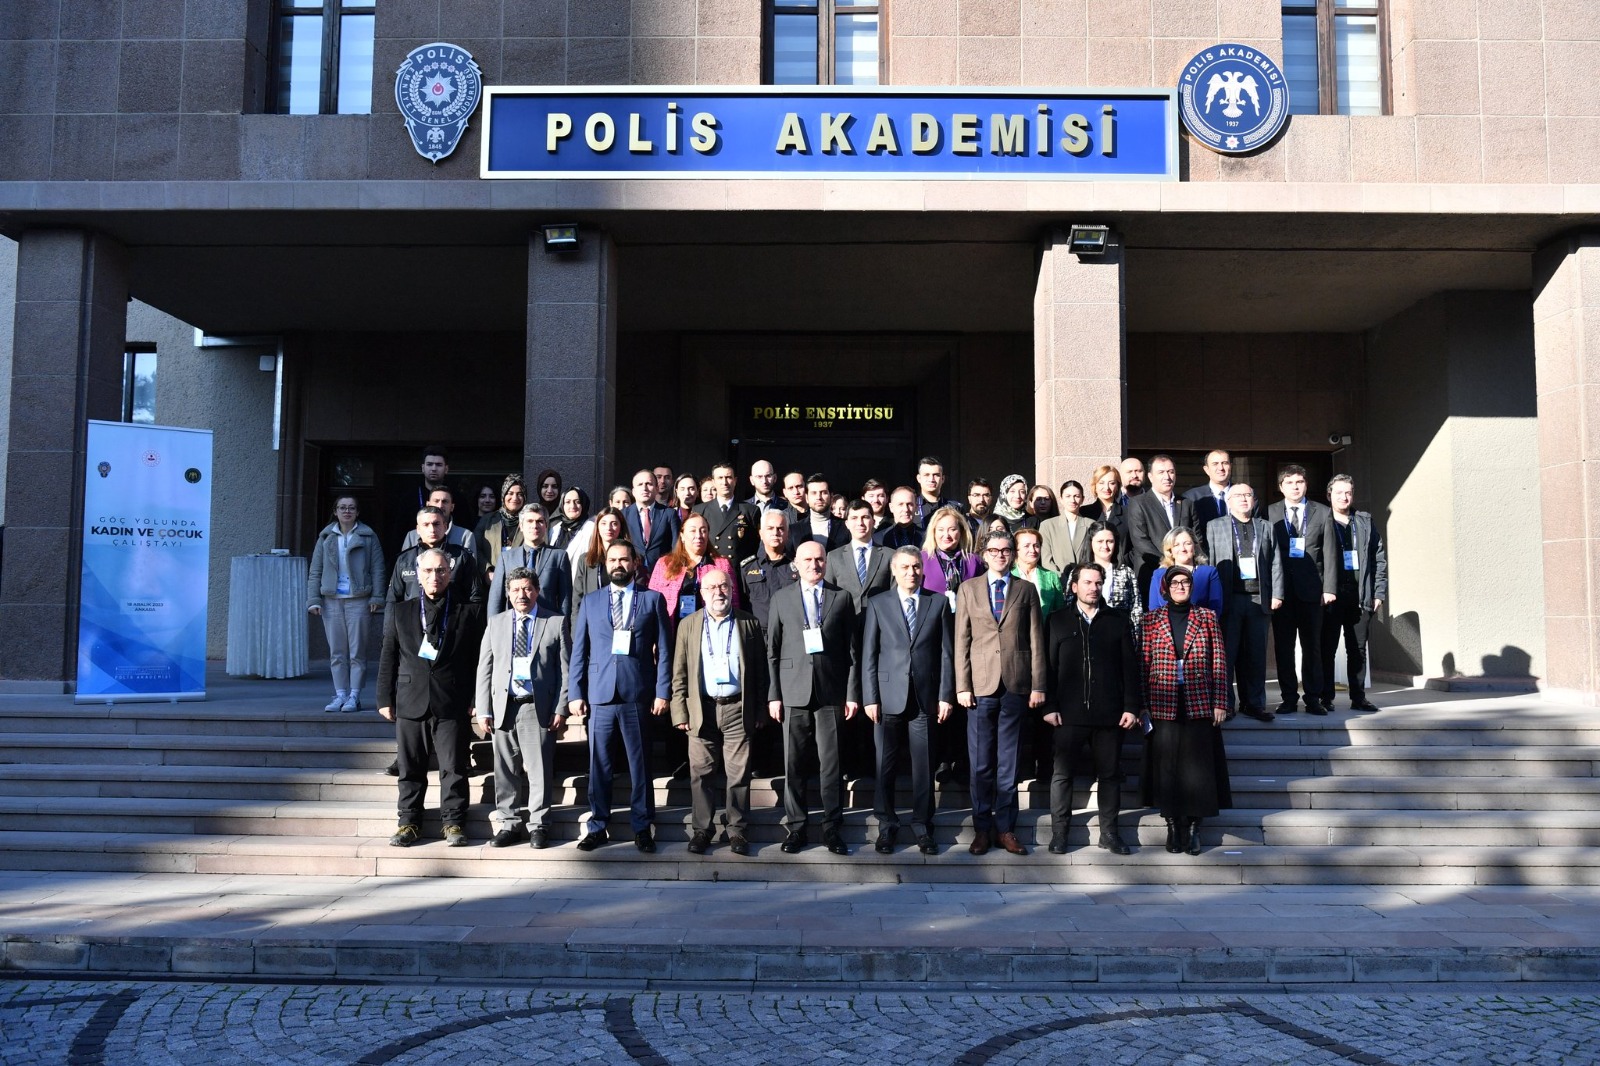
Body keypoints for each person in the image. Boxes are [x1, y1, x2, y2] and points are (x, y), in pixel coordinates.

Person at [376, 547, 486, 848]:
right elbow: (389, 655)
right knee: (411, 768)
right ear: (418, 575)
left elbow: (477, 659)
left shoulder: (468, 611)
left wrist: (477, 697)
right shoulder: (401, 611)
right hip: (411, 698)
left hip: (452, 698)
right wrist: (384, 697)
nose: (434, 576)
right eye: (428, 571)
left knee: (453, 766)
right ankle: (408, 822)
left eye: (440, 570)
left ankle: (453, 822)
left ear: (449, 573)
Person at [568, 540, 672, 853]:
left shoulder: (653, 600)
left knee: (640, 765)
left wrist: (662, 691)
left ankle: (642, 826)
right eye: (612, 559)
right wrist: (576, 692)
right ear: (605, 564)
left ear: (635, 563)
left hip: (637, 693)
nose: (618, 565)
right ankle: (598, 826)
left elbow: (665, 651)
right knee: (599, 765)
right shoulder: (591, 601)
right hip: (599, 694)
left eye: (624, 559)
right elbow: (579, 651)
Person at [955, 530, 1047, 857]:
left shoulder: (1026, 590)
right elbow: (961, 641)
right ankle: (981, 829)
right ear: (983, 554)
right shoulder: (968, 589)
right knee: (980, 764)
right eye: (994, 550)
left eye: (1006, 550)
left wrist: (1038, 685)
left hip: (1015, 685)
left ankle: (1006, 829)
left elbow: (1036, 640)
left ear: (1012, 554)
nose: (1000, 555)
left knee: (1008, 764)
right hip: (979, 687)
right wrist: (962, 686)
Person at [766, 540, 860, 855]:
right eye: (807, 559)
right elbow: (773, 652)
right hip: (792, 691)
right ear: (796, 563)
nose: (814, 565)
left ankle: (832, 828)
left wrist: (851, 692)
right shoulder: (781, 598)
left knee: (831, 765)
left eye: (819, 559)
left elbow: (852, 651)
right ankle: (796, 828)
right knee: (794, 765)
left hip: (831, 691)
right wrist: (774, 695)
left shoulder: (841, 598)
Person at [1041, 562, 1141, 855]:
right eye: (1087, 583)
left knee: (1110, 775)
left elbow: (1130, 669)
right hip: (1067, 714)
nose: (1093, 588)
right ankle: (1060, 833)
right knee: (1062, 775)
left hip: (1109, 714)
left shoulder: (1118, 621)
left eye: (1098, 583)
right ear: (1074, 587)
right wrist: (1048, 705)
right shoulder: (1058, 621)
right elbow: (1047, 667)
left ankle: (1109, 833)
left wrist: (1132, 706)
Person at [861, 547, 954, 855]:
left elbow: (946, 654)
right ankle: (886, 827)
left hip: (925, 698)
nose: (911, 572)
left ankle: (922, 826)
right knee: (884, 766)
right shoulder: (877, 604)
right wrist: (870, 697)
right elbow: (869, 655)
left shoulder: (937, 603)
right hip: (886, 699)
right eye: (904, 567)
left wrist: (945, 694)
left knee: (924, 768)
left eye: (915, 567)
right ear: (894, 571)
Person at [670, 567, 768, 856]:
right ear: (702, 593)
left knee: (738, 774)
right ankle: (702, 830)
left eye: (724, 586)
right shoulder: (688, 625)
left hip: (738, 707)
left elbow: (760, 671)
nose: (718, 592)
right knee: (701, 774)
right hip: (701, 708)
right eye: (711, 588)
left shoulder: (748, 623)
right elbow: (679, 673)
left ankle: (737, 830)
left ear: (732, 590)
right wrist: (679, 712)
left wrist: (760, 707)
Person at [1138, 566, 1232, 856]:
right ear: (1165, 588)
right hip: (1162, 700)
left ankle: (1193, 827)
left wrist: (1221, 701)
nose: (1181, 586)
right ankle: (1172, 824)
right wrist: (1142, 705)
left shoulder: (1206, 618)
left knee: (1197, 767)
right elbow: (1143, 665)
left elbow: (1218, 661)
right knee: (1167, 766)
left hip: (1199, 699)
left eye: (1186, 582)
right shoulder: (1150, 620)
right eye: (1175, 582)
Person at [475, 566, 568, 850]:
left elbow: (564, 669)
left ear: (537, 591)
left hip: (535, 707)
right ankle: (509, 823)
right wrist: (483, 708)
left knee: (539, 769)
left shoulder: (554, 622)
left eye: (527, 589)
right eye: (515, 590)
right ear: (508, 594)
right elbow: (485, 667)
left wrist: (561, 707)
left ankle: (539, 825)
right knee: (504, 770)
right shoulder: (497, 622)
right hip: (503, 705)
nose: (521, 595)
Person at [1267, 464, 1339, 716]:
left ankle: (1313, 698)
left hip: (1313, 593)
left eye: (1299, 482)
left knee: (1313, 648)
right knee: (1284, 649)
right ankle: (1288, 698)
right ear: (1281, 487)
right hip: (1282, 594)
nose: (1295, 487)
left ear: (1306, 485)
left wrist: (1329, 588)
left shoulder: (1322, 512)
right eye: (1289, 482)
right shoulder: (1270, 512)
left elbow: (1330, 553)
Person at [1206, 484, 1282, 723]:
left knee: (1256, 656)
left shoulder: (1266, 527)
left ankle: (1254, 704)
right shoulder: (1214, 526)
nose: (1243, 499)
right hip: (1228, 600)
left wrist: (1277, 594)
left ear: (1254, 499)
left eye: (1248, 494)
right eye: (1237, 495)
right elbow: (1208, 563)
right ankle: (1226, 705)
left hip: (1259, 598)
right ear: (1228, 501)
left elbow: (1276, 563)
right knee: (1226, 655)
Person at [306, 496, 386, 712]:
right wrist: (313, 599)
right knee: (337, 652)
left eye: (351, 508)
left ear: (358, 512)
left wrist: (377, 597)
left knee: (357, 652)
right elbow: (315, 571)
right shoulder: (325, 538)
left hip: (358, 599)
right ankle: (340, 694)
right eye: (342, 507)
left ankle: (355, 695)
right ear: (335, 511)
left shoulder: (368, 536)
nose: (347, 511)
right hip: (331, 600)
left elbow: (378, 568)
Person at [1320, 475, 1387, 713]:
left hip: (1360, 596)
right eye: (1339, 493)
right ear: (1330, 495)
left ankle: (1358, 697)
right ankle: (1325, 697)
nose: (1344, 497)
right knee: (1326, 648)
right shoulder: (1322, 520)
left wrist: (1378, 592)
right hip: (1330, 597)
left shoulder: (1364, 522)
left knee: (1357, 650)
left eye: (1348, 492)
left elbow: (1378, 558)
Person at [648, 511, 740, 633]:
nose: (699, 535)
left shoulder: (722, 564)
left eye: (703, 530)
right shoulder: (664, 563)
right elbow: (651, 602)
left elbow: (734, 602)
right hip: (672, 630)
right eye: (692, 531)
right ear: (682, 535)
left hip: (709, 632)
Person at [1127, 455, 1194, 597]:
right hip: (1153, 574)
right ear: (1150, 477)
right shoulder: (1138, 503)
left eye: (1171, 472)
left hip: (1186, 578)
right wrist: (1170, 565)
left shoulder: (1187, 503)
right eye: (1161, 472)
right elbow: (1140, 541)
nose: (1167, 477)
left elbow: (1196, 537)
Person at [488, 504, 571, 618]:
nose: (535, 526)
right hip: (513, 625)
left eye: (540, 521)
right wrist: (494, 628)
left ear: (546, 525)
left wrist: (563, 627)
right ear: (521, 526)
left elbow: (565, 599)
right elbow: (496, 598)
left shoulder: (559, 556)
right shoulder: (506, 558)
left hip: (547, 625)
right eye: (530, 521)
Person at [388, 506, 484, 604]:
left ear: (445, 526)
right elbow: (392, 600)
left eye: (436, 524)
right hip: (412, 617)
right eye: (426, 525)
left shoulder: (462, 557)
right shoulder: (404, 559)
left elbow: (475, 597)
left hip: (452, 617)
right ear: (418, 529)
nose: (432, 529)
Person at [827, 499, 893, 613]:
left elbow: (894, 595)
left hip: (880, 623)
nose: (860, 523)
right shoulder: (834, 557)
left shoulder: (890, 555)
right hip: (846, 624)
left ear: (873, 522)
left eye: (865, 517)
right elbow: (829, 596)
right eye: (854, 518)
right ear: (847, 524)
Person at [739, 508, 797, 633]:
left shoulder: (798, 566)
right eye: (770, 528)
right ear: (761, 533)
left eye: (780, 528)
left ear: (787, 533)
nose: (775, 533)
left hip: (790, 633)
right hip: (757, 635)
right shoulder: (748, 567)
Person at [695, 461, 761, 563]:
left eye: (728, 477)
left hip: (739, 572)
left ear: (735, 480)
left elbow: (755, 545)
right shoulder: (700, 510)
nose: (724, 482)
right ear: (713, 482)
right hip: (710, 568)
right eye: (720, 478)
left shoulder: (750, 510)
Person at [1148, 527, 1223, 614]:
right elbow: (1154, 610)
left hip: (1201, 626)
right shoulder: (1159, 575)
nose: (1183, 549)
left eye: (1187, 544)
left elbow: (1215, 608)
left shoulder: (1209, 573)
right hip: (1165, 626)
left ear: (1195, 547)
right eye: (1176, 545)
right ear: (1170, 551)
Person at [400, 486, 485, 561]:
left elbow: (470, 573)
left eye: (445, 501)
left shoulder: (465, 536)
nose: (440, 505)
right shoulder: (412, 536)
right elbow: (404, 566)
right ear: (428, 504)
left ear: (452, 507)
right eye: (436, 501)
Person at [920, 505, 982, 607]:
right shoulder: (922, 559)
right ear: (934, 532)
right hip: (934, 619)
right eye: (941, 530)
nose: (946, 535)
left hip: (965, 618)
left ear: (961, 532)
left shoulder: (974, 561)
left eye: (952, 529)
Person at [573, 506, 630, 612]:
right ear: (597, 527)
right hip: (595, 620)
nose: (609, 528)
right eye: (603, 523)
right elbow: (577, 600)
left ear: (621, 527)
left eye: (614, 523)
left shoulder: (632, 558)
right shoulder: (585, 560)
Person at [624, 468, 680, 573]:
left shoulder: (669, 514)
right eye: (640, 484)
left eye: (649, 484)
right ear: (633, 491)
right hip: (631, 573)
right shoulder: (623, 515)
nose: (644, 488)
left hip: (662, 573)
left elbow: (676, 547)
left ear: (656, 488)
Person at [1087, 522, 1142, 629]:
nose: (1105, 546)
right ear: (1091, 542)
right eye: (1100, 541)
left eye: (1110, 541)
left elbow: (1136, 610)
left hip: (1119, 635)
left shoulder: (1126, 573)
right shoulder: (1080, 572)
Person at [1038, 479, 1093, 574]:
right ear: (1061, 499)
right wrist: (1061, 579)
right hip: (1057, 581)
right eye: (1068, 496)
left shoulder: (1091, 525)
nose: (1072, 500)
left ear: (1082, 499)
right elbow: (1046, 560)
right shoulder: (1047, 526)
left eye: (1076, 496)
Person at [475, 474, 526, 573]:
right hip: (492, 580)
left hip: (521, 581)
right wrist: (487, 571)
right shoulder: (487, 519)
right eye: (510, 493)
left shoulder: (529, 520)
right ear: (503, 495)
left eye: (520, 494)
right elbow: (476, 547)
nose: (515, 498)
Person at [1012, 527, 1064, 622]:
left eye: (1036, 545)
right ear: (1016, 549)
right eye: (1026, 546)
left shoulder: (1051, 576)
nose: (1033, 550)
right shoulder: (1008, 575)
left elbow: (1060, 611)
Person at [1184, 448, 1239, 539]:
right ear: (1206, 469)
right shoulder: (1191, 498)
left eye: (1225, 463)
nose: (1221, 468)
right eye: (1215, 464)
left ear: (1231, 466)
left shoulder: (1245, 495)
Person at [1080, 465, 1129, 562]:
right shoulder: (1084, 512)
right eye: (1101, 483)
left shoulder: (1128, 512)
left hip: (1119, 568)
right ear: (1095, 486)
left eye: (1112, 483)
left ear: (1117, 486)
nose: (1107, 488)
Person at [789, 472, 849, 551]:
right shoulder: (794, 529)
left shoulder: (846, 527)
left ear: (831, 497)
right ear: (807, 498)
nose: (818, 497)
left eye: (823, 492)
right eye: (814, 493)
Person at [913, 456, 961, 526]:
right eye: (926, 475)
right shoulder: (911, 507)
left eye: (936, 475)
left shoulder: (955, 508)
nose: (931, 479)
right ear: (919, 478)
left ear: (943, 479)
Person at [550, 487, 593, 561]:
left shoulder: (591, 529)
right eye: (568, 502)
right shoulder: (555, 529)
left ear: (583, 504)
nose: (572, 506)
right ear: (562, 505)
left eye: (577, 502)